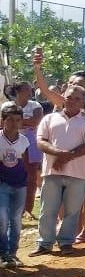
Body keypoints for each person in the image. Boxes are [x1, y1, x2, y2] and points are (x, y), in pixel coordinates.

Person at [28, 85, 85, 257]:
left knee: (72, 211)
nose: (72, 101)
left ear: (83, 102)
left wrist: (67, 156)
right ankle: (45, 243)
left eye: (77, 99)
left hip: (78, 174)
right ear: (63, 97)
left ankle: (66, 242)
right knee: (47, 209)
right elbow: (40, 141)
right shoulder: (49, 118)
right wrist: (59, 153)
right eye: (70, 97)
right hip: (52, 172)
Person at [8, 82, 43, 221]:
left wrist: (15, 121)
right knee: (9, 175)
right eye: (28, 89)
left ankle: (27, 209)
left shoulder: (36, 106)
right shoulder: (7, 106)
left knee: (31, 177)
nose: (31, 91)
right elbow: (2, 123)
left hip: (30, 144)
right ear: (18, 91)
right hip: (10, 144)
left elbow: (36, 121)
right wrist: (24, 122)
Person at [0, 103, 29, 268]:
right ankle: (3, 252)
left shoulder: (24, 141)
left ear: (21, 122)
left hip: (20, 185)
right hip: (2, 184)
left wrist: (28, 183)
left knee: (16, 220)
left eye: (17, 120)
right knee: (2, 219)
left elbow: (24, 163)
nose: (13, 123)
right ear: (3, 120)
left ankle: (12, 253)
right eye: (9, 119)